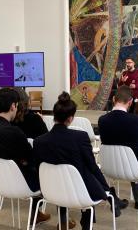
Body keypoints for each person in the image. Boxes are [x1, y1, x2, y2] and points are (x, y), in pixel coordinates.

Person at [34, 92, 128, 230]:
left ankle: (65, 222)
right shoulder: (80, 137)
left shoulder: (39, 141)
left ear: (54, 116)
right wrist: (105, 188)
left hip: (51, 190)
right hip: (79, 191)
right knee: (89, 176)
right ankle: (90, 218)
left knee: (67, 178)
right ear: (71, 118)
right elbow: (92, 165)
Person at [0, 88, 50, 225]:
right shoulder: (14, 132)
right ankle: (63, 219)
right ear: (13, 106)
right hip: (20, 183)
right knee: (50, 171)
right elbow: (31, 158)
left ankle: (38, 214)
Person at [98, 85, 138, 209]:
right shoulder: (137, 120)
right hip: (133, 168)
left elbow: (105, 141)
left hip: (110, 166)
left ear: (114, 99)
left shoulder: (102, 120)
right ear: (131, 102)